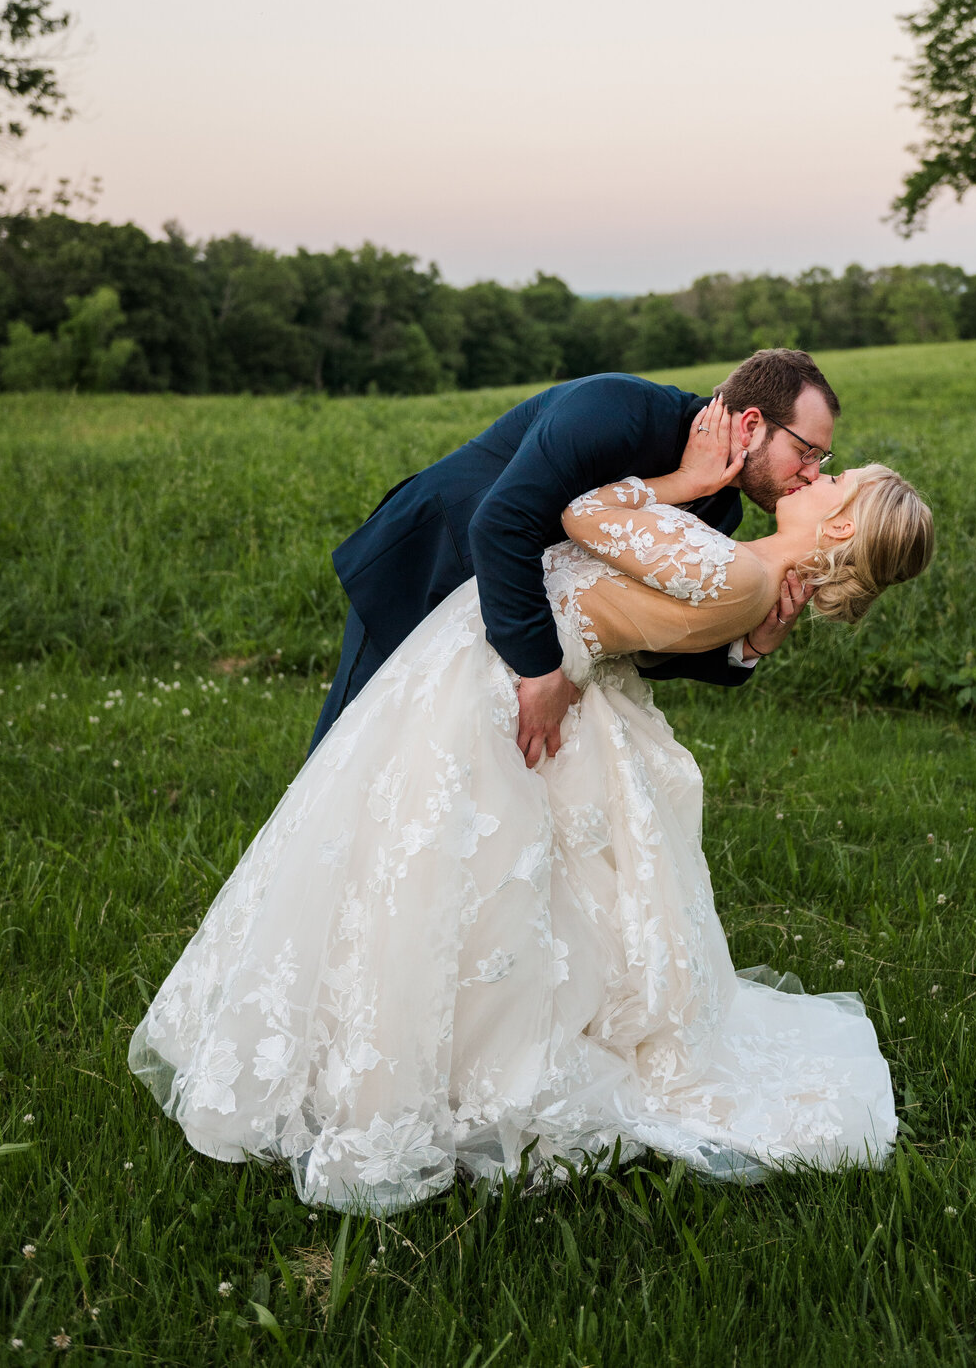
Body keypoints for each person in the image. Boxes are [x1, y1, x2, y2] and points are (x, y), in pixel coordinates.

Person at [129, 401, 934, 1212]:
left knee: (441, 871)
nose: (820, 473)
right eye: (823, 458)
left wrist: (685, 480)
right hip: (506, 656)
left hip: (502, 675)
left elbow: (585, 514)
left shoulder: (743, 576)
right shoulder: (744, 571)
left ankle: (422, 1068)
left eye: (839, 480)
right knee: (452, 871)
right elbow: (640, 609)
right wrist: (749, 638)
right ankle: (411, 1055)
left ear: (838, 533)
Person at [309, 349, 842, 768]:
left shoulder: (721, 511)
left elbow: (640, 630)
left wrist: (748, 646)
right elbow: (500, 525)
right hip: (430, 567)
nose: (812, 473)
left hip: (505, 629)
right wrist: (541, 671)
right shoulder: (616, 409)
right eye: (807, 452)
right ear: (751, 426)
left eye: (822, 460)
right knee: (352, 749)